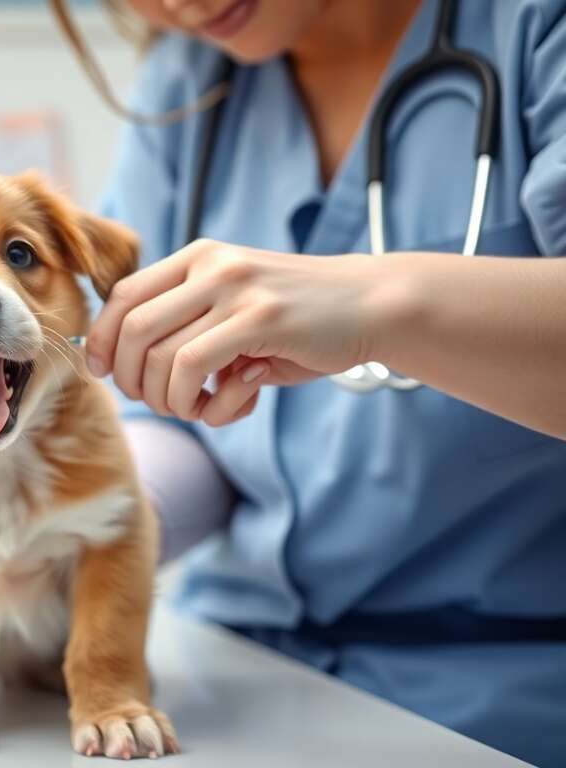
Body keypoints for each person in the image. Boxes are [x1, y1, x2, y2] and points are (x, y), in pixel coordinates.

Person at [71, 1, 566, 764]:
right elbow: (166, 413)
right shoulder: (187, 84)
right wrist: (94, 533)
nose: (178, 4)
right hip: (234, 673)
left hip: (498, 699)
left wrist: (377, 307)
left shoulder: (532, 26)